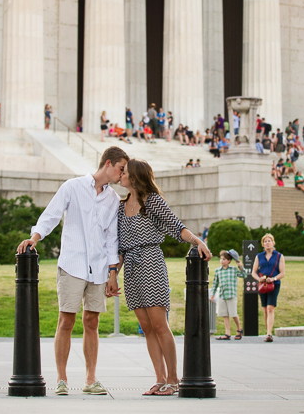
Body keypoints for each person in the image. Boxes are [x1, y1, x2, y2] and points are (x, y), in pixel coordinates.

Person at [17, 146, 129, 397]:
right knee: (66, 321)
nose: (122, 175)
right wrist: (34, 238)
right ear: (108, 163)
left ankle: (90, 379)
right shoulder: (72, 187)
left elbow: (111, 238)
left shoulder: (113, 199)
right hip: (72, 264)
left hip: (99, 269)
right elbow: (51, 215)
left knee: (92, 322)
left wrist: (113, 273)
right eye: (121, 169)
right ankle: (61, 379)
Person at [115, 158, 211, 396]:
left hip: (151, 263)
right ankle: (159, 379)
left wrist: (198, 240)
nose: (121, 175)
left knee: (159, 325)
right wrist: (113, 275)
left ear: (135, 177)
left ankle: (173, 380)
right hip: (131, 268)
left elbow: (177, 227)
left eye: (124, 172)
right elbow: (117, 245)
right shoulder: (119, 206)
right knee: (146, 327)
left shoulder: (153, 201)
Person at [251, 233, 285, 343]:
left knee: (270, 308)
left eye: (269, 241)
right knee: (265, 309)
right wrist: (259, 279)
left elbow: (282, 273)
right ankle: (267, 332)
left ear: (273, 243)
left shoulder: (279, 256)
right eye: (265, 241)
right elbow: (254, 272)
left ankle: (270, 333)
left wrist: (274, 279)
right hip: (263, 284)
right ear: (263, 244)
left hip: (274, 284)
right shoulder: (259, 256)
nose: (267, 243)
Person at [211, 249, 247, 341]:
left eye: (224, 259)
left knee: (233, 314)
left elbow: (244, 275)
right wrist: (212, 294)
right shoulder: (218, 271)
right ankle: (227, 333)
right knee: (225, 314)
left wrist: (240, 266)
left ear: (229, 261)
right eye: (221, 259)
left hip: (231, 295)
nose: (222, 261)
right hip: (222, 295)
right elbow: (215, 283)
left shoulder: (233, 270)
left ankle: (239, 329)